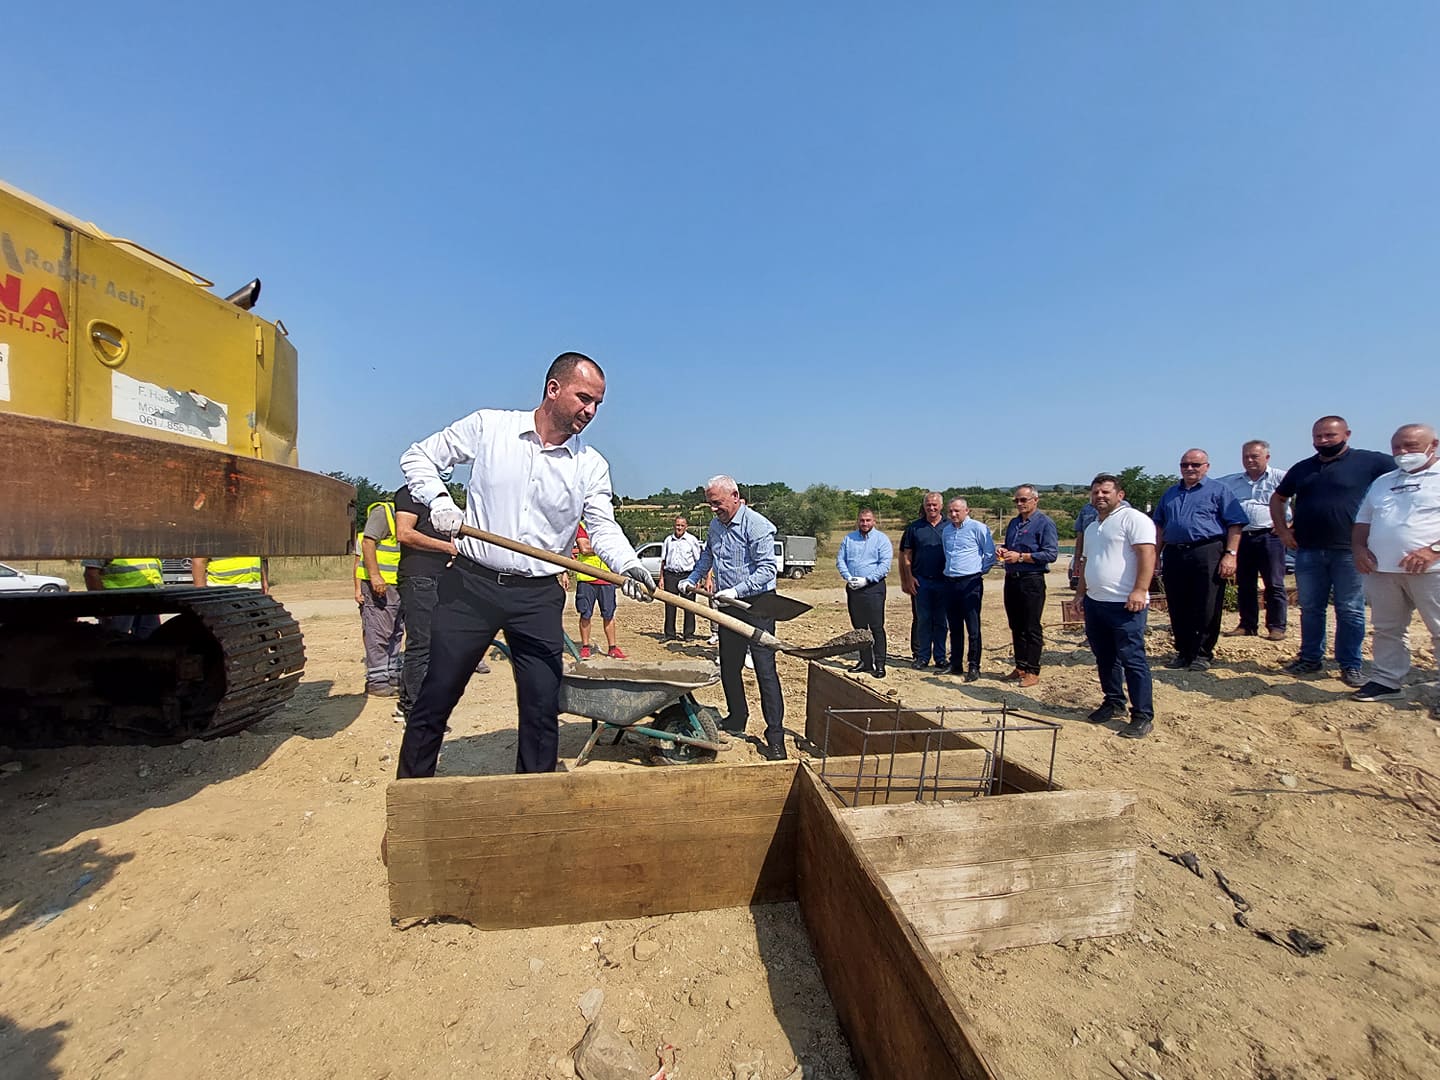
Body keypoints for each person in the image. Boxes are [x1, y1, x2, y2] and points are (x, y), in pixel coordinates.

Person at [395, 352, 655, 777]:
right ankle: (410, 797)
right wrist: (439, 501)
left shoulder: (590, 465)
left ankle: (535, 808)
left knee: (540, 709)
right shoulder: (489, 428)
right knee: (436, 696)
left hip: (538, 597)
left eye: (597, 405)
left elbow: (603, 527)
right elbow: (417, 457)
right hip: (470, 588)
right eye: (584, 398)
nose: (590, 412)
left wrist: (629, 565)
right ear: (553, 390)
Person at [1270, 416, 1395, 687]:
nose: (1323, 441)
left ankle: (1350, 664)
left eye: (1330, 435)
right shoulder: (1303, 469)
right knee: (1311, 608)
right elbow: (1278, 498)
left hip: (1350, 551)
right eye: (1318, 437)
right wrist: (1282, 530)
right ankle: (1310, 658)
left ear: (1347, 434)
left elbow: (1403, 474)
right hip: (1308, 550)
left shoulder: (1370, 462)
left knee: (1350, 609)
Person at [679, 475, 786, 759]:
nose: (713, 509)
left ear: (735, 496)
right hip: (728, 603)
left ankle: (776, 737)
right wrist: (692, 579)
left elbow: (766, 571)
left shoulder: (758, 526)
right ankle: (737, 716)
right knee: (729, 665)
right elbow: (707, 557)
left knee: (765, 671)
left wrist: (736, 590)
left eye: (718, 503)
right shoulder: (716, 526)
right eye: (710, 504)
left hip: (759, 604)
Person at [1350, 423, 1440, 709]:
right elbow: (1363, 519)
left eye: (1410, 446)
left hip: (1431, 571)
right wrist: (1359, 548)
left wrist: (1433, 550)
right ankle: (1387, 681)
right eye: (1397, 447)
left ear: (1433, 445)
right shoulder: (1384, 481)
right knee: (1387, 628)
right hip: (1383, 570)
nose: (1402, 452)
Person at [394, 471, 477, 727]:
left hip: (440, 578)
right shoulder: (409, 495)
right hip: (419, 579)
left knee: (434, 644)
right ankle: (420, 715)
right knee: (422, 645)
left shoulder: (441, 501)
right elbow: (404, 533)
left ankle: (409, 703)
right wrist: (447, 548)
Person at [1076, 474, 1157, 739]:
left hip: (1125, 604)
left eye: (1106, 492)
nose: (1100, 496)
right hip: (1096, 602)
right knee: (1105, 657)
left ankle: (1142, 714)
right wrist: (1081, 594)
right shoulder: (1091, 527)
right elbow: (1087, 562)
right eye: (1096, 492)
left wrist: (1140, 590)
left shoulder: (1133, 519)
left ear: (1119, 495)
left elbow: (1147, 554)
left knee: (1132, 659)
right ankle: (1113, 701)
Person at [1152, 449, 1247, 671]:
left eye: (1195, 464)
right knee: (1177, 604)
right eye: (1185, 465)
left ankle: (1202, 653)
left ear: (1207, 466)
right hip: (1175, 552)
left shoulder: (1220, 491)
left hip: (1207, 551)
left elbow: (1235, 524)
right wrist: (1155, 555)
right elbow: (1159, 526)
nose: (1190, 469)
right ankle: (1183, 652)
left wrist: (1230, 555)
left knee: (1206, 604)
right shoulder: (1170, 493)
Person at [1217, 441, 1289, 640]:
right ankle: (1247, 624)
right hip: (1243, 537)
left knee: (1274, 583)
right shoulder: (1231, 481)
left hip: (1270, 536)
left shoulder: (1281, 478)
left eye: (1254, 456)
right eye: (1246, 456)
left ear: (1267, 457)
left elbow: (1306, 497)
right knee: (1245, 583)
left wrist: (1291, 525)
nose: (1249, 460)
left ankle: (1276, 626)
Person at [996, 485, 1059, 687]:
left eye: (1023, 500)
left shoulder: (1044, 523)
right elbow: (1012, 550)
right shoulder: (1014, 523)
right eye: (1016, 501)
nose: (1020, 504)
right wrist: (1005, 552)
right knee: (1016, 625)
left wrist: (1022, 556)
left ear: (1035, 500)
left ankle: (1033, 670)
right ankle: (1020, 666)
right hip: (1012, 578)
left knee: (1031, 626)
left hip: (1031, 579)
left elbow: (1050, 554)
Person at [940, 498, 996, 682]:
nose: (953, 514)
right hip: (950, 581)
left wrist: (979, 571)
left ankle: (974, 666)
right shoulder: (946, 530)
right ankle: (955, 663)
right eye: (950, 511)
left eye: (957, 511)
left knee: (973, 627)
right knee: (954, 626)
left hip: (970, 581)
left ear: (967, 510)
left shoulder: (978, 528)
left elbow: (989, 553)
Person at [354, 500, 405, 698]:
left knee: (395, 631)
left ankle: (391, 673)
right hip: (379, 584)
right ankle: (376, 680)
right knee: (378, 632)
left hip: (397, 584)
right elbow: (368, 542)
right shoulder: (385, 512)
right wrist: (375, 576)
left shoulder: (408, 515)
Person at [836, 507, 893, 678]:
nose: (865, 523)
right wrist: (848, 577)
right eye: (862, 520)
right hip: (854, 588)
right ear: (858, 521)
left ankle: (880, 663)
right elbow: (840, 559)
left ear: (874, 521)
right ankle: (865, 662)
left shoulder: (881, 539)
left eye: (868, 520)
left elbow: (884, 565)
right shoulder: (849, 539)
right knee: (859, 628)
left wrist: (867, 579)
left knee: (876, 627)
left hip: (873, 587)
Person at [900, 492, 948, 670]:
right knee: (923, 620)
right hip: (922, 582)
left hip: (945, 582)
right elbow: (907, 556)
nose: (932, 508)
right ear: (924, 506)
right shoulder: (914, 528)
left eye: (935, 504)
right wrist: (909, 578)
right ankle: (922, 657)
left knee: (942, 622)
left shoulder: (950, 527)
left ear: (941, 506)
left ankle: (941, 657)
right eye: (928, 505)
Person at [574, 520, 625, 659]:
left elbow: (618, 547)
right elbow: (584, 548)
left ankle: (612, 648)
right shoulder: (582, 526)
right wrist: (604, 547)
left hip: (607, 578)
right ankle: (585, 647)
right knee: (585, 614)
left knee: (609, 614)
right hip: (587, 577)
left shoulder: (609, 527)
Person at [81, 558, 163, 637]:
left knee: (150, 643)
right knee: (115, 641)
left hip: (149, 600)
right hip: (118, 603)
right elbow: (91, 574)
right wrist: (102, 604)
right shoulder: (105, 545)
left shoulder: (146, 545)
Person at [659, 516, 703, 641]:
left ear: (686, 526)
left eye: (682, 525)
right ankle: (669, 634)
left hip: (688, 576)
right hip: (671, 575)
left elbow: (698, 561)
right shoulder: (668, 540)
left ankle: (688, 634)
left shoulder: (692, 540)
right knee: (670, 605)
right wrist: (661, 578)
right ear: (674, 525)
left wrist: (698, 580)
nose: (679, 528)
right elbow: (663, 561)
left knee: (689, 606)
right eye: (677, 525)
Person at [191, 557, 268, 592]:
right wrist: (201, 594)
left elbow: (261, 557)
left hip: (253, 586)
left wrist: (264, 580)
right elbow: (198, 562)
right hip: (222, 589)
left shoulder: (254, 531)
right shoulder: (211, 532)